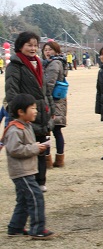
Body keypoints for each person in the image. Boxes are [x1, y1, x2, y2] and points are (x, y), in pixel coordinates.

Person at [5, 31, 54, 192]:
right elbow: (11, 91)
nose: (33, 48)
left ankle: (41, 181)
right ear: (20, 46)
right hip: (25, 112)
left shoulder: (39, 62)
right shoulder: (15, 65)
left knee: (41, 147)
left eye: (35, 45)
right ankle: (29, 181)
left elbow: (45, 89)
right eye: (29, 45)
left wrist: (50, 108)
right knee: (28, 148)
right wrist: (17, 112)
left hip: (41, 112)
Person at [2, 93, 55, 239]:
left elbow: (25, 146)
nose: (36, 111)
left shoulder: (26, 126)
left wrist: (36, 146)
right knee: (36, 197)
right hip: (21, 172)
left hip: (27, 170)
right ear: (21, 111)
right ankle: (37, 229)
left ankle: (15, 227)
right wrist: (35, 148)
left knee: (24, 200)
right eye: (32, 108)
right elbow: (15, 149)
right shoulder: (15, 129)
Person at [42, 41, 68, 168]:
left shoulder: (54, 64)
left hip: (53, 101)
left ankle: (49, 160)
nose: (47, 52)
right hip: (58, 101)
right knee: (56, 131)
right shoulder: (58, 62)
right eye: (45, 50)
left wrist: (45, 98)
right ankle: (59, 158)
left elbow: (49, 84)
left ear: (56, 51)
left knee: (49, 130)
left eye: (50, 49)